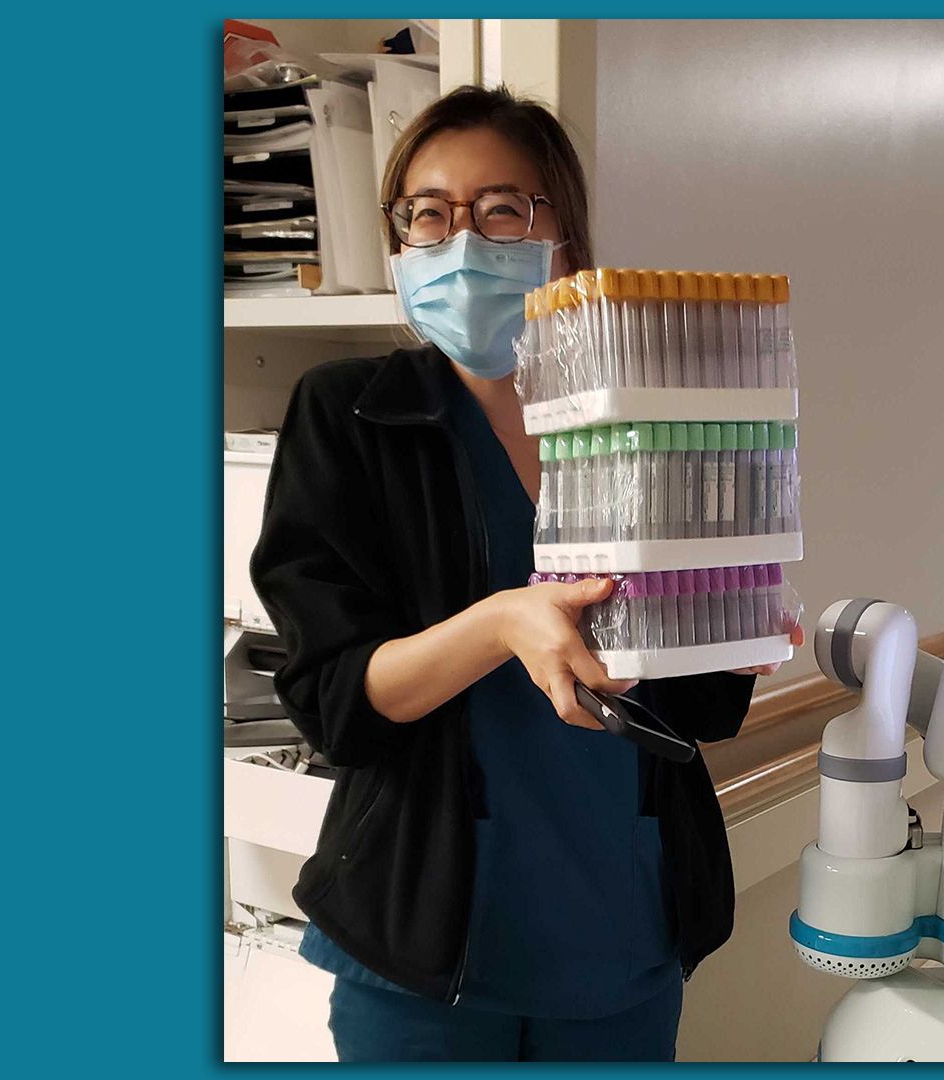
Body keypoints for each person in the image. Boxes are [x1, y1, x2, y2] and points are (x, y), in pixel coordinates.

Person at [250, 85, 794, 1062]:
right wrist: (502, 622)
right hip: (426, 957)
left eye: (501, 209)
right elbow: (333, 702)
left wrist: (728, 633)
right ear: (400, 243)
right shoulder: (350, 416)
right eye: (428, 213)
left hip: (621, 935)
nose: (461, 241)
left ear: (565, 238)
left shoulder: (641, 422)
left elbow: (698, 712)